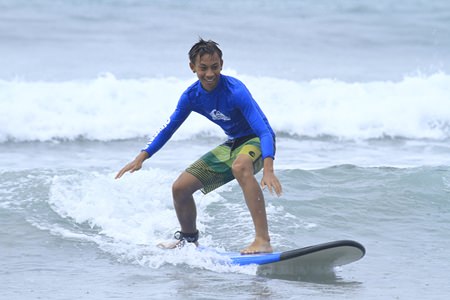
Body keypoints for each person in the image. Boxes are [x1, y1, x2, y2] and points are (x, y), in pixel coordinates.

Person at [115, 39, 282, 254]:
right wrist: (142, 157)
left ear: (222, 64)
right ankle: (188, 239)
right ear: (192, 67)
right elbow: (168, 128)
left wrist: (268, 169)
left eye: (215, 67)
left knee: (240, 166)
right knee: (180, 188)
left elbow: (264, 131)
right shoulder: (191, 96)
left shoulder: (236, 91)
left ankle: (263, 240)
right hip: (233, 143)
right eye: (203, 68)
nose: (210, 74)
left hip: (258, 140)